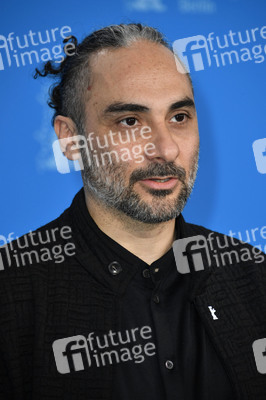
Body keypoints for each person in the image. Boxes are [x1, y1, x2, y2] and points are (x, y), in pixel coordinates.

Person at [0, 23, 265, 400]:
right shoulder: (11, 293)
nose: (165, 149)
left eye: (179, 117)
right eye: (130, 122)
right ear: (70, 140)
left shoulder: (254, 277)